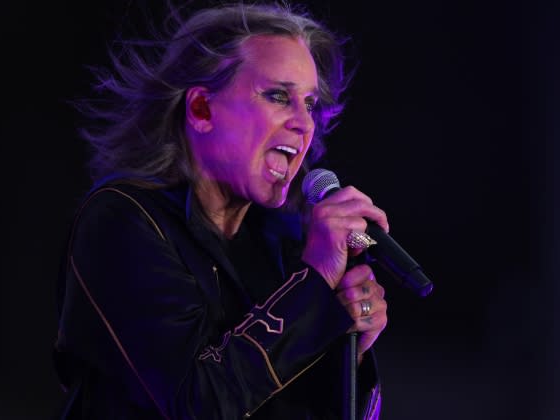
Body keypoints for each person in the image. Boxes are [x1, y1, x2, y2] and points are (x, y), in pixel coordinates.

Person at [54, 2, 389, 419]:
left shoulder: (282, 247)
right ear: (201, 109)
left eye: (310, 104)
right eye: (278, 96)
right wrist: (315, 282)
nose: (305, 124)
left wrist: (347, 349)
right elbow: (197, 403)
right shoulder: (123, 221)